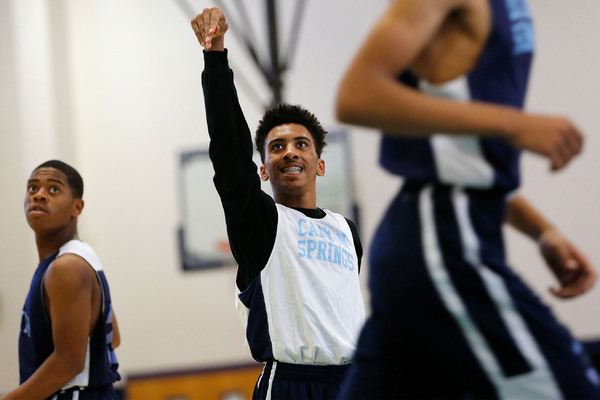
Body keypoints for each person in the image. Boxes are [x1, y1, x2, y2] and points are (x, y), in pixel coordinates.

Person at [334, 0, 600, 398]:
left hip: (434, 239)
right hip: (440, 247)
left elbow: (463, 159)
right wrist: (514, 124)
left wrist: (542, 231)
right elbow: (356, 95)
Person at [191, 7, 365, 399]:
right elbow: (230, 156)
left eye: (300, 144)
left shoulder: (347, 232)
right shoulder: (261, 223)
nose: (289, 152)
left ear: (319, 164)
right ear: (264, 169)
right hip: (291, 383)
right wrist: (216, 57)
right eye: (277, 147)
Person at [0, 160, 121, 400]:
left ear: (77, 207)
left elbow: (68, 362)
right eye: (32, 188)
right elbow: (112, 336)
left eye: (53, 189)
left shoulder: (66, 267)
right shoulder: (78, 257)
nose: (39, 195)